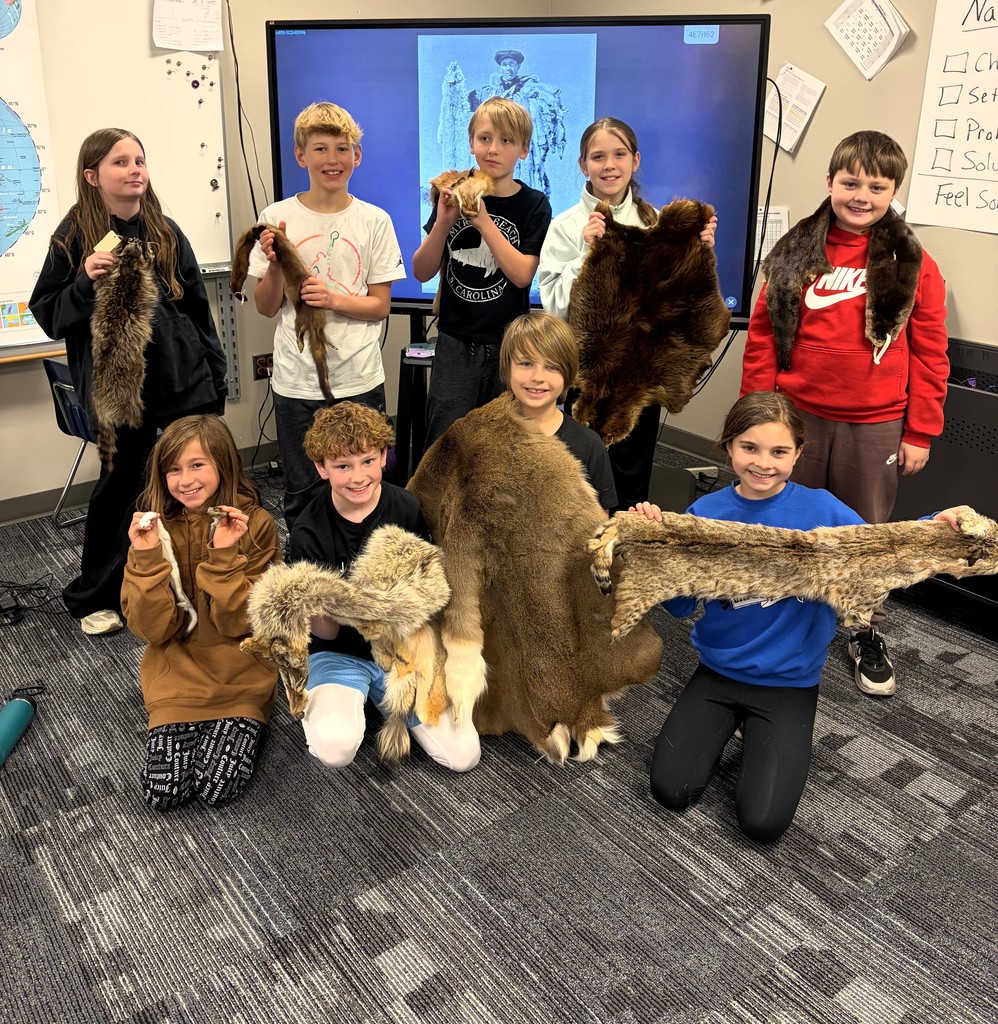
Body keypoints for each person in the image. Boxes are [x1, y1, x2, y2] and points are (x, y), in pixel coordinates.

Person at [634, 391, 971, 843]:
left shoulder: (823, 511)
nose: (763, 463)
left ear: (798, 453)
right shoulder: (706, 514)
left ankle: (764, 736)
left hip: (789, 683)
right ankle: (736, 729)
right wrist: (653, 547)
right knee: (670, 790)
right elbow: (678, 606)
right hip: (718, 672)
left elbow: (882, 552)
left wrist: (936, 525)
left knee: (762, 823)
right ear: (728, 446)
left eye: (779, 451)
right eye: (749, 448)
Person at [740, 130, 949, 699]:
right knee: (785, 518)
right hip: (796, 417)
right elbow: (762, 338)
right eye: (851, 182)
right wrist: (757, 416)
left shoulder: (913, 263)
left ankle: (863, 626)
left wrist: (921, 429)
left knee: (864, 531)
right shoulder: (795, 253)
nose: (862, 196)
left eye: (877, 187)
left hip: (875, 422)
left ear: (894, 191)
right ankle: (783, 613)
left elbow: (931, 352)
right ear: (830, 181)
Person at [29, 128, 227, 636]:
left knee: (198, 482)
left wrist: (215, 374)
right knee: (120, 491)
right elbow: (49, 314)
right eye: (121, 162)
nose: (135, 169)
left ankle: (206, 580)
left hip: (183, 380)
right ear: (92, 176)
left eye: (140, 160)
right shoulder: (73, 237)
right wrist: (83, 282)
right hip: (120, 394)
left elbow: (197, 310)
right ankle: (95, 595)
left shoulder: (165, 231)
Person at [288, 402, 480, 772]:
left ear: (383, 457)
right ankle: (337, 699)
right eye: (342, 466)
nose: (358, 476)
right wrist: (330, 606)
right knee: (335, 748)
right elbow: (325, 632)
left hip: (403, 649)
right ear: (321, 468)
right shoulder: (307, 532)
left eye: (367, 461)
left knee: (463, 755)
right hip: (339, 652)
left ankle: (377, 698)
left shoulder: (405, 506)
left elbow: (428, 589)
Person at [538, 117, 717, 511]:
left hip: (640, 376)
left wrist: (698, 252)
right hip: (587, 377)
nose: (609, 165)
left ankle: (627, 542)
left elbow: (678, 301)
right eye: (598, 157)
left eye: (619, 155)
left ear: (635, 161)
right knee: (581, 475)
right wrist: (588, 253)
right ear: (583, 165)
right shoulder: (566, 227)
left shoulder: (656, 223)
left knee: (633, 481)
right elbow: (554, 305)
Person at [246, 102, 405, 533]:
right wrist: (275, 265)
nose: (332, 159)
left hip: (358, 378)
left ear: (357, 155)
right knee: (302, 487)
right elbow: (265, 306)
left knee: (364, 484)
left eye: (342, 149)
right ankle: (308, 559)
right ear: (301, 156)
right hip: (296, 382)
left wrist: (333, 299)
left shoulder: (374, 220)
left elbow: (380, 305)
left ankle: (365, 561)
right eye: (320, 149)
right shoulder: (276, 217)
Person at [121, 415, 280, 811]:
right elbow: (153, 630)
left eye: (197, 465)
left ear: (223, 465)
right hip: (175, 678)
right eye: (173, 469)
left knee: (216, 786)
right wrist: (145, 560)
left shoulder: (256, 524)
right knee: (163, 793)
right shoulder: (153, 529)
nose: (185, 480)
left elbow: (240, 622)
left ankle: (247, 720)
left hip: (241, 677)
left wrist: (225, 555)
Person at [413, 97, 552, 449]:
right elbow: (421, 271)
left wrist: (484, 222)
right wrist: (443, 223)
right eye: (485, 138)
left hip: (508, 346)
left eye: (506, 140)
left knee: (502, 444)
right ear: (471, 142)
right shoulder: (453, 193)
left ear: (524, 150)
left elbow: (522, 275)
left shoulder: (534, 204)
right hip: (455, 343)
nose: (493, 149)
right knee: (445, 442)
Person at [498, 310, 616, 514]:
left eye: (552, 367)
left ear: (567, 373)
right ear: (508, 369)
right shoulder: (481, 437)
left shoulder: (589, 446)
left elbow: (599, 523)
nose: (537, 377)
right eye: (526, 363)